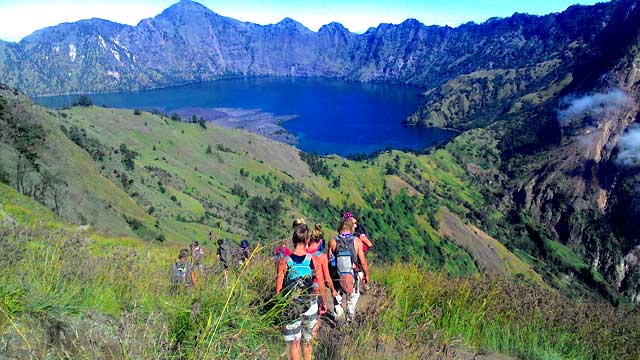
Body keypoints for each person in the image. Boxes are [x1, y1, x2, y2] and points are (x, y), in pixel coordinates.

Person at [276, 224, 324, 360]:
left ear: (293, 240)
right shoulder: (313, 260)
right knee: (307, 340)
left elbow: (278, 290)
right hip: (310, 303)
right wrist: (324, 302)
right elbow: (319, 285)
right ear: (307, 240)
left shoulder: (284, 262)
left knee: (294, 343)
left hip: (292, 305)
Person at [328, 216, 369, 322]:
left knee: (338, 296)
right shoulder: (356, 241)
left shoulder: (333, 241)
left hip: (337, 276)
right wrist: (366, 275)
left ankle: (338, 315)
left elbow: (329, 261)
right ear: (351, 228)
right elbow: (363, 262)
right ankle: (349, 319)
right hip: (353, 275)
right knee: (353, 297)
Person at [306, 223, 338, 316]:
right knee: (316, 321)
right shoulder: (322, 257)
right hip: (316, 291)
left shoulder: (302, 253)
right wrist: (332, 289)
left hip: (302, 289)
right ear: (320, 241)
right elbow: (327, 278)